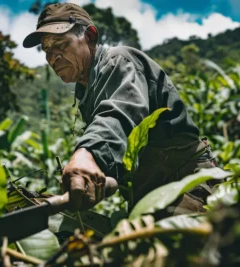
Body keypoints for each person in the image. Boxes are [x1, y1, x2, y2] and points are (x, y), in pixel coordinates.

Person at [23, 3, 216, 214]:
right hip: (148, 197)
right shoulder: (86, 90)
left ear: (89, 36)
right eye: (46, 49)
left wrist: (88, 155)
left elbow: (119, 113)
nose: (52, 58)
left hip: (185, 183)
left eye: (60, 44)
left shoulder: (119, 61)